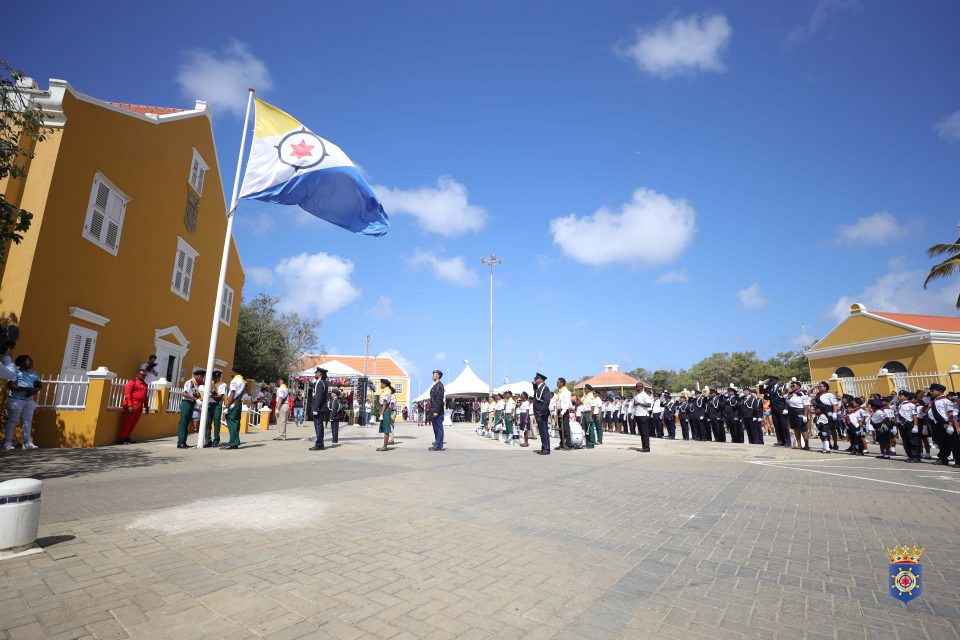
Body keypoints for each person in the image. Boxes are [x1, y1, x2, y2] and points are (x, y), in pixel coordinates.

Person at [4, 354, 41, 450]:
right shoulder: (15, 373)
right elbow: (11, 385)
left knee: (27, 422)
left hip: (29, 401)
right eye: (29, 361)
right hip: (16, 400)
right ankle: (7, 442)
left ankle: (27, 442)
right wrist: (26, 389)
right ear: (22, 363)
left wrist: (35, 390)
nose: (32, 362)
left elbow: (38, 385)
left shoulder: (34, 374)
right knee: (13, 421)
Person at [118, 364, 149, 445]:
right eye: (142, 375)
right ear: (138, 374)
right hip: (132, 405)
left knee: (133, 423)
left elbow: (145, 397)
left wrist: (146, 406)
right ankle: (122, 439)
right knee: (127, 423)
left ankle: (127, 437)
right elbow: (127, 394)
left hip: (139, 406)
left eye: (145, 375)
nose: (143, 376)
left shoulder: (145, 385)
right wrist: (130, 405)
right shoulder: (132, 382)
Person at [177, 369, 204, 449]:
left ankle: (184, 442)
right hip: (186, 403)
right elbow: (184, 393)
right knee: (183, 423)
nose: (202, 378)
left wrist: (198, 397)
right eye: (201, 377)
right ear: (196, 376)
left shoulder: (196, 384)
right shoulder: (189, 382)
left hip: (191, 404)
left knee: (187, 423)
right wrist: (195, 399)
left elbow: (195, 394)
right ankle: (180, 442)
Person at [221, 366, 246, 450]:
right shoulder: (243, 381)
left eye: (232, 372)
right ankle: (235, 441)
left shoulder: (234, 380)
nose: (231, 373)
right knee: (236, 423)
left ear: (235, 372)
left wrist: (227, 406)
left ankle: (233, 443)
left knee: (232, 423)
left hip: (233, 403)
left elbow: (232, 393)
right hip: (238, 403)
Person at [203, 370, 226, 448]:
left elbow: (220, 397)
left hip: (217, 405)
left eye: (217, 377)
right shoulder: (210, 384)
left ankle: (216, 440)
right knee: (207, 423)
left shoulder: (223, 385)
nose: (216, 378)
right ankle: (208, 440)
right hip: (209, 404)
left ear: (219, 377)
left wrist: (211, 396)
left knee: (216, 422)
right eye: (214, 377)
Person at [310, 367, 329, 451]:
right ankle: (320, 443)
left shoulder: (321, 383)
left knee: (318, 426)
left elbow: (319, 397)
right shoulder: (322, 382)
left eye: (316, 372)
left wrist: (315, 408)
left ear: (320, 373)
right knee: (319, 426)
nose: (315, 374)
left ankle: (319, 444)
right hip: (320, 407)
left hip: (319, 408)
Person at [532, 373, 552, 455]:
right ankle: (543, 447)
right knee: (541, 431)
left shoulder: (545, 388)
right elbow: (537, 396)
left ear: (541, 379)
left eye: (536, 378)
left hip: (542, 413)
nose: (535, 379)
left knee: (544, 430)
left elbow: (547, 401)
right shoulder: (538, 388)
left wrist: (542, 413)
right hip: (538, 413)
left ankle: (547, 448)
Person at [785, 381, 808, 450]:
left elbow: (806, 405)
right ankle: (799, 444)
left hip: (800, 411)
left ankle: (806, 445)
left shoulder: (802, 393)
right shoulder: (790, 394)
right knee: (795, 429)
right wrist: (787, 387)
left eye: (793, 386)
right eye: (791, 386)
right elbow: (782, 395)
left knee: (803, 429)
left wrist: (805, 415)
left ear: (798, 386)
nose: (792, 387)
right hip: (792, 412)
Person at [633, 382, 652, 452]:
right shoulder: (637, 395)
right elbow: (635, 405)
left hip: (643, 415)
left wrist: (639, 403)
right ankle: (643, 447)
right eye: (636, 386)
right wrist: (635, 404)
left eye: (637, 387)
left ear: (641, 387)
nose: (636, 388)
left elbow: (649, 405)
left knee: (645, 432)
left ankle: (647, 447)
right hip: (638, 415)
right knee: (641, 432)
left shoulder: (645, 395)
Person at [429, 369, 445, 451]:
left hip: (437, 411)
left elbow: (439, 399)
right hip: (433, 410)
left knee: (439, 428)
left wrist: (436, 411)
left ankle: (438, 445)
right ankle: (437, 443)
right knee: (435, 428)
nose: (432, 375)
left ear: (438, 376)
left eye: (434, 374)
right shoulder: (435, 385)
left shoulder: (439, 385)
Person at [377, 378, 395, 451]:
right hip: (386, 410)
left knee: (386, 429)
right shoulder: (386, 391)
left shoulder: (386, 392)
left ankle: (385, 446)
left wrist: (381, 413)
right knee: (385, 428)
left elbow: (384, 404)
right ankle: (384, 446)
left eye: (381, 383)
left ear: (384, 384)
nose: (380, 385)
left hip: (385, 410)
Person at [273, 376, 290, 441]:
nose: (277, 382)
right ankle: (282, 435)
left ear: (281, 380)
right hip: (284, 405)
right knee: (282, 421)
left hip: (281, 405)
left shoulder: (281, 388)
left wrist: (277, 408)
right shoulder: (285, 388)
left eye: (278, 380)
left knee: (281, 421)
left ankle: (282, 436)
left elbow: (280, 398)